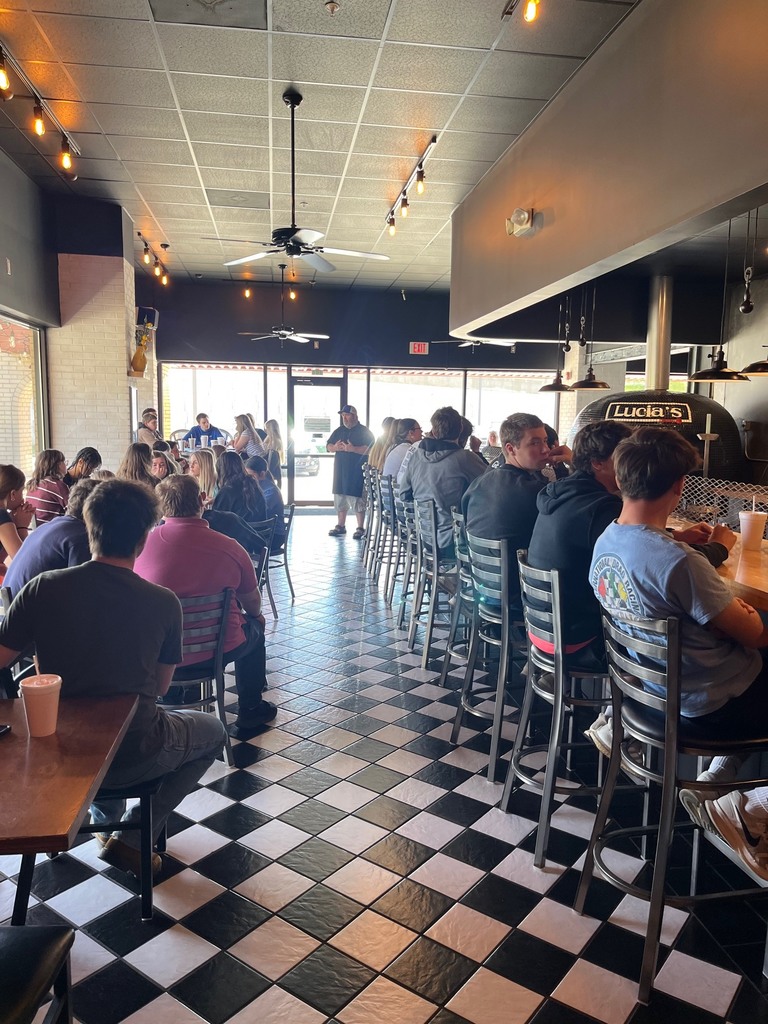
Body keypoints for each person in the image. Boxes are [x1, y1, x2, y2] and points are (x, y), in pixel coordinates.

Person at [0, 480, 226, 877]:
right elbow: (159, 688)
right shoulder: (163, 602)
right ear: (143, 539)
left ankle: (104, 815)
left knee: (107, 756)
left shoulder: (42, 589)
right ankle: (134, 837)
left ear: (89, 528)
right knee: (213, 731)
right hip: (136, 750)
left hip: (59, 756)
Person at [589, 426, 768, 878]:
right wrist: (741, 614)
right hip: (705, 705)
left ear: (621, 476)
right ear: (677, 486)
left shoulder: (607, 541)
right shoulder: (680, 562)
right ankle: (752, 808)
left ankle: (715, 783)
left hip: (648, 692)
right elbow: (755, 634)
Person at [528, 419, 733, 672]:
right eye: (624, 455)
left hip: (542, 630)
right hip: (580, 640)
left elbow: (636, 546)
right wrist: (719, 548)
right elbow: (658, 560)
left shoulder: (565, 494)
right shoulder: (603, 508)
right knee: (693, 628)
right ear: (597, 463)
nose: (632, 462)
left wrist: (676, 536)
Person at [135, 475, 275, 734]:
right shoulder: (230, 548)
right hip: (218, 649)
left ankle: (173, 697)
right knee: (255, 627)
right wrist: (257, 617)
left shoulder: (139, 546)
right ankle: (251, 708)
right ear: (202, 501)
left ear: (161, 505)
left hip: (159, 653)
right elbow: (252, 600)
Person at [461, 412, 566, 611]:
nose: (545, 449)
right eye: (534, 443)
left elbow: (462, 538)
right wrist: (573, 464)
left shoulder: (479, 484)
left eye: (545, 441)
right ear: (511, 449)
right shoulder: (535, 493)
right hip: (518, 596)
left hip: (481, 588)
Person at [399, 406, 487, 556]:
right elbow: (492, 483)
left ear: (433, 431)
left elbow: (404, 494)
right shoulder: (464, 458)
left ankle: (437, 576)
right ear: (460, 430)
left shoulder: (416, 457)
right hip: (454, 541)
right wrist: (477, 452)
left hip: (424, 538)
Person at [4, 478, 102, 597]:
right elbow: (82, 591)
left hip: (10, 608)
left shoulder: (51, 526)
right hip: (24, 613)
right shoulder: (80, 537)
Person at [326, 405, 374, 539]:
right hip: (340, 471)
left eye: (347, 415)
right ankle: (340, 526)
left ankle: (360, 527)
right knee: (340, 498)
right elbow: (328, 446)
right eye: (342, 415)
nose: (344, 418)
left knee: (358, 500)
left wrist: (353, 449)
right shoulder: (338, 431)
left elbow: (371, 449)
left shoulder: (364, 431)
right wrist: (335, 447)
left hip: (357, 472)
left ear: (354, 416)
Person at [213, 450, 266, 524]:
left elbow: (215, 521)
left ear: (220, 471)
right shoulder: (254, 486)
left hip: (235, 535)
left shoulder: (227, 491)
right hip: (259, 534)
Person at [245, 455, 286, 551]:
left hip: (273, 536)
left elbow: (256, 512)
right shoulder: (256, 485)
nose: (248, 478)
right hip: (261, 532)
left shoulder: (270, 491)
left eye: (252, 475)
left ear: (262, 474)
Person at [0, 464, 34, 570]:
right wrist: (22, 527)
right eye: (22, 491)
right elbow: (23, 562)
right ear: (13, 494)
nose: (23, 497)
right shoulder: (2, 516)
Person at [26, 449, 69, 523]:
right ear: (57, 465)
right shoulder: (57, 486)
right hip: (51, 530)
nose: (66, 465)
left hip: (37, 530)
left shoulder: (32, 484)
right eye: (64, 462)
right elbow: (75, 512)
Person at [263, 419, 284, 487]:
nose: (266, 430)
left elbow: (271, 454)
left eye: (268, 428)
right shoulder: (270, 439)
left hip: (272, 464)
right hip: (271, 463)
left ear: (272, 429)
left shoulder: (276, 441)